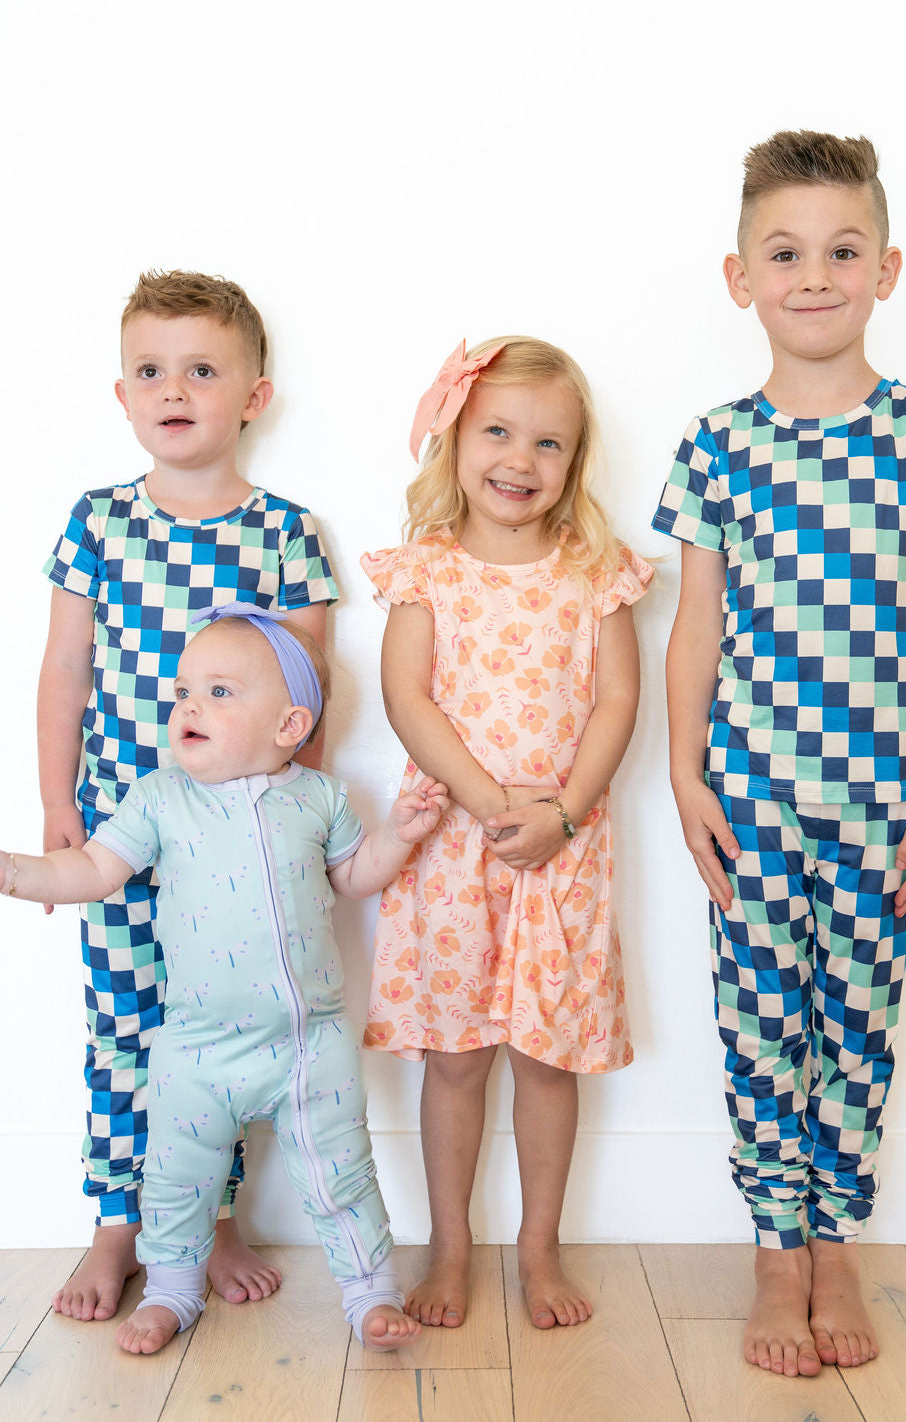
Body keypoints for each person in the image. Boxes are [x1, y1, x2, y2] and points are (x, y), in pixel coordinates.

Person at [654, 131, 906, 1379]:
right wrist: (685, 776)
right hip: (749, 792)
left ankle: (836, 1234)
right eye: (785, 252)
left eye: (842, 250)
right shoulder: (715, 443)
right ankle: (775, 1246)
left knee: (858, 1017)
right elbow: (694, 626)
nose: (814, 275)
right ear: (739, 277)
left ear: (886, 270)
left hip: (879, 794)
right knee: (759, 1017)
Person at [6, 607, 446, 1354]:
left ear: (289, 725)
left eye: (217, 692)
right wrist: (16, 872)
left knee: (342, 1174)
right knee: (177, 1179)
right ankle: (173, 1292)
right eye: (184, 691)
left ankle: (370, 1293)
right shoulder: (159, 798)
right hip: (197, 1047)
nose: (188, 707)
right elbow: (92, 869)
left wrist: (399, 836)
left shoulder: (320, 797)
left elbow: (352, 877)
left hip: (311, 1043)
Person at [38, 270, 337, 1322]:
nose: (175, 389)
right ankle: (118, 1220)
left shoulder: (285, 533)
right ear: (122, 394)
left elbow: (308, 692)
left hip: (233, 841)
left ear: (253, 396)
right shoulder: (99, 522)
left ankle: (208, 1216)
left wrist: (292, 827)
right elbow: (65, 670)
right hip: (121, 833)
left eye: (202, 370)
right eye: (152, 370)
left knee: (219, 1025)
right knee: (123, 1023)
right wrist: (57, 804)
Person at [361, 336, 652, 1331]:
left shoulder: (595, 572)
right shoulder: (427, 571)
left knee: (544, 1058)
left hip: (562, 846)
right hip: (454, 843)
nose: (520, 459)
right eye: (497, 431)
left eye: (548, 443)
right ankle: (449, 1243)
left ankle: (539, 1245)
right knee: (456, 1056)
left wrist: (560, 810)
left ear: (575, 461)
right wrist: (489, 801)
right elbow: (407, 697)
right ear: (453, 439)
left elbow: (617, 699)